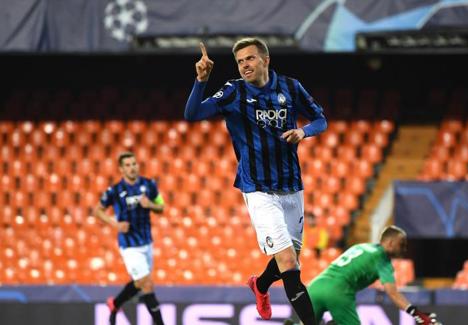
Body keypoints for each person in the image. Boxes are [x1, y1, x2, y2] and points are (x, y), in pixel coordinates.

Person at [185, 37, 327, 325]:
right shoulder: (233, 91)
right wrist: (201, 80)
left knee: (291, 259)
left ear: (266, 60)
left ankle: (260, 285)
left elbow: (321, 119)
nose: (244, 65)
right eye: (240, 61)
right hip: (258, 188)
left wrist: (304, 132)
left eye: (249, 58)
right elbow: (192, 115)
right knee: (289, 262)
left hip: (292, 185)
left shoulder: (290, 86)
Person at [284, 226, 441, 325]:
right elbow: (392, 292)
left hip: (316, 287)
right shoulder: (382, 259)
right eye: (402, 244)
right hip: (338, 291)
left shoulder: (361, 246)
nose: (405, 248)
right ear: (390, 243)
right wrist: (416, 313)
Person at [94, 151, 166, 325]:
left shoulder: (149, 185)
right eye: (128, 165)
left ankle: (115, 303)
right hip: (129, 244)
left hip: (147, 242)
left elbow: (161, 206)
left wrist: (150, 205)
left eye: (134, 164)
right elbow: (97, 210)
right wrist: (115, 224)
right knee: (146, 283)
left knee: (142, 283)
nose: (132, 167)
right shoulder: (115, 191)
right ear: (121, 169)